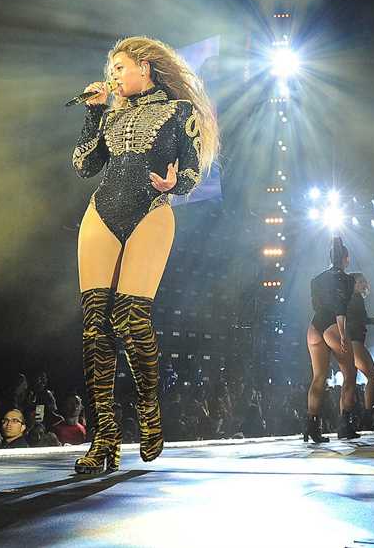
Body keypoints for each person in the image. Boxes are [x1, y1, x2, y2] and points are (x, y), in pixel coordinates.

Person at [71, 36, 218, 473]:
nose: (112, 75)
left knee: (131, 319)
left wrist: (177, 184)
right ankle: (105, 440)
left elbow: (191, 169)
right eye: (110, 69)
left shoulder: (180, 112)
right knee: (94, 326)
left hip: (151, 210)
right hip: (102, 211)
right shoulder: (110, 114)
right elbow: (84, 165)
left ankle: (149, 410)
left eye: (119, 67)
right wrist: (94, 113)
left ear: (145, 67)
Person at [304, 237, 359, 443]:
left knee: (318, 377)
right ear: (346, 258)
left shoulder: (316, 279)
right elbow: (340, 306)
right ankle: (344, 426)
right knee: (350, 375)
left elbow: (316, 304)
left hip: (314, 326)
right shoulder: (347, 279)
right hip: (333, 326)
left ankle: (312, 427)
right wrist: (343, 334)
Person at [345, 272, 374, 431]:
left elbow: (359, 318)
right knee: (372, 377)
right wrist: (373, 321)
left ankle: (349, 419)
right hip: (355, 342)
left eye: (363, 281)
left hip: (351, 341)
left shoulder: (349, 299)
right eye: (359, 282)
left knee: (351, 381)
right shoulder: (356, 298)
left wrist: (373, 320)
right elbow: (358, 320)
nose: (363, 283)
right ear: (352, 284)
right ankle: (367, 416)